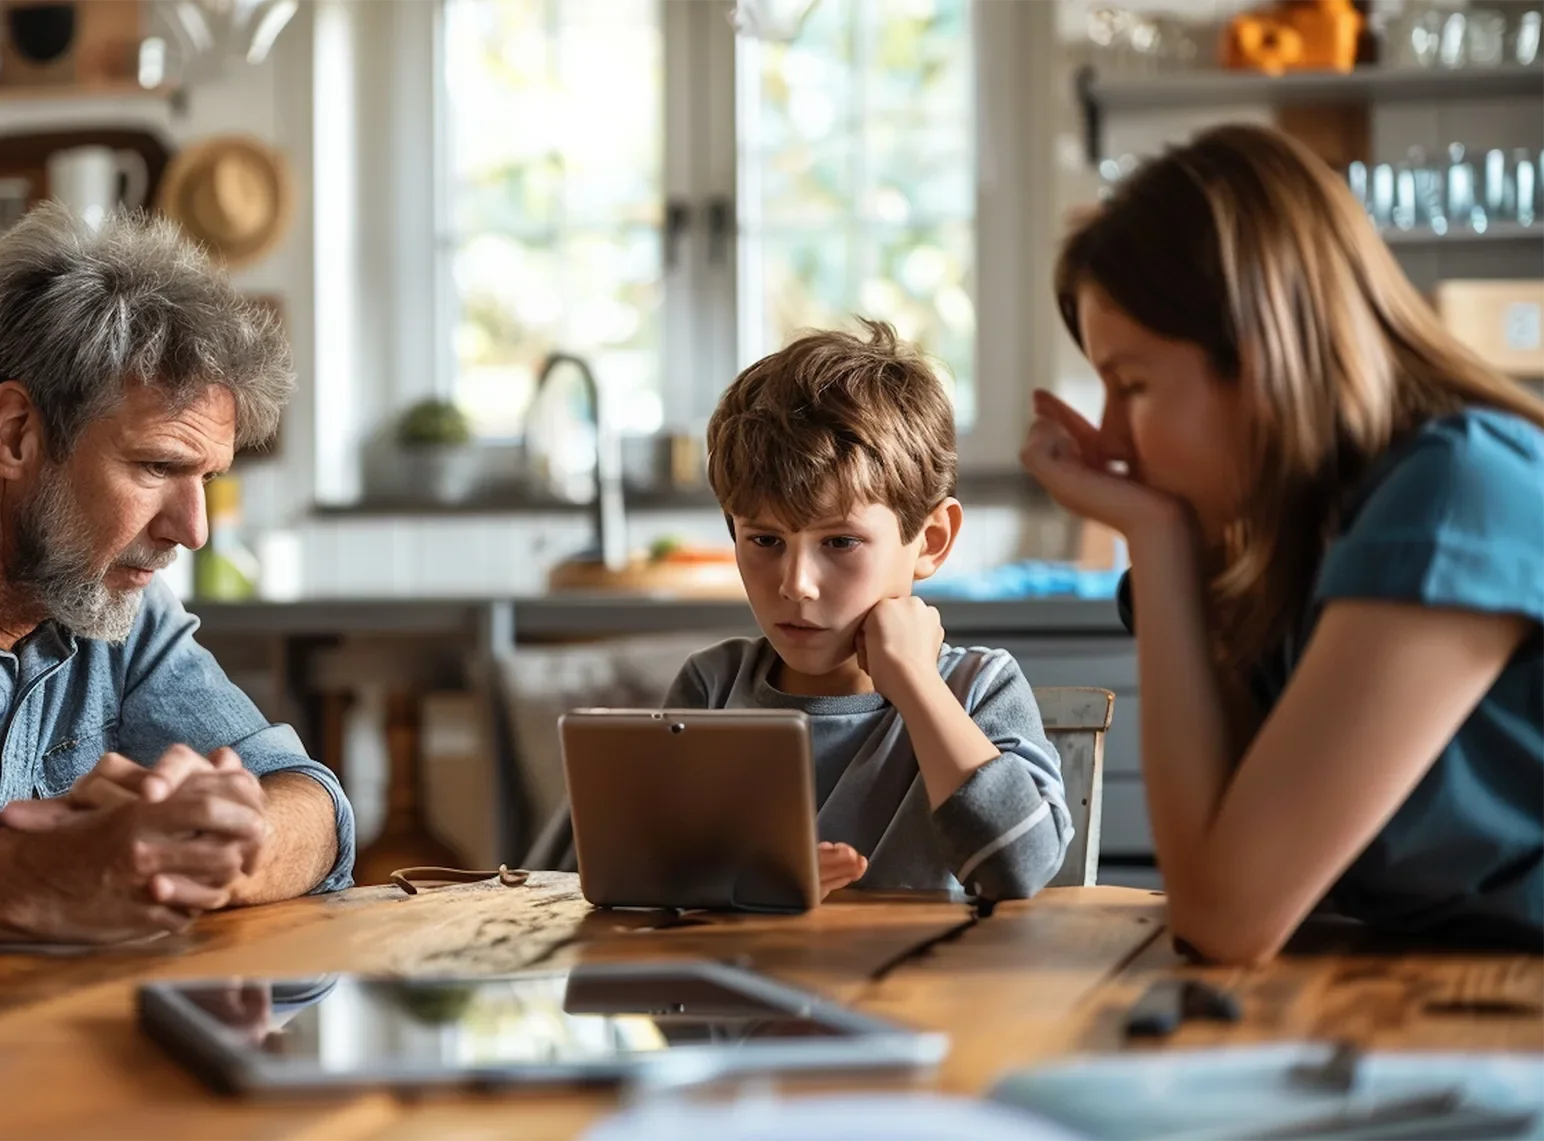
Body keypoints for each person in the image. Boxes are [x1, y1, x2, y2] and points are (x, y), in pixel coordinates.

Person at [1021, 123, 1544, 964]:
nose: (1111, 438)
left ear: (1259, 356)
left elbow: (1223, 914)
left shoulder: (1456, 493)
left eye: (1133, 385)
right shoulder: (1292, 539)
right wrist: (1171, 542)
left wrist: (1155, 537)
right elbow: (1214, 866)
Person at [0, 204, 355, 945]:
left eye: (207, 477)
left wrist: (222, 844)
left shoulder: (120, 608)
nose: (192, 531)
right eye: (158, 465)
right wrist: (27, 876)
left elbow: (310, 802)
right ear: (15, 433)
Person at [668, 320, 1071, 900]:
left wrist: (915, 683)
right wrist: (750, 882)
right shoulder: (711, 689)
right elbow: (647, 872)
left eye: (840, 542)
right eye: (765, 540)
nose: (796, 585)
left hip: (928, 964)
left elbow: (1019, 868)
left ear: (931, 540)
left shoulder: (979, 689)